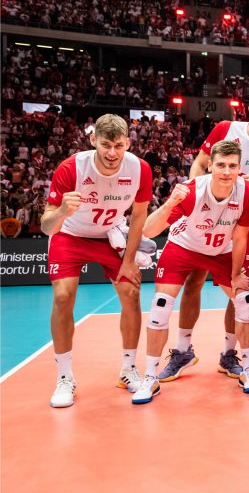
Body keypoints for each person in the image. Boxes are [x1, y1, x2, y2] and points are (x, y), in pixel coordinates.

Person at [162, 90, 249, 383]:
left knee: (237, 286)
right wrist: (197, 200)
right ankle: (183, 350)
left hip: (241, 223)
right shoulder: (227, 129)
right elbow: (200, 163)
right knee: (193, 282)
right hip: (205, 218)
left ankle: (229, 354)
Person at [131, 140, 249, 404]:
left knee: (245, 301)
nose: (226, 172)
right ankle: (150, 377)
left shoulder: (248, 192)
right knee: (160, 306)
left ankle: (248, 369)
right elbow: (149, 231)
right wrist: (169, 204)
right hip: (184, 247)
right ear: (209, 165)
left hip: (222, 251)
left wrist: (237, 274)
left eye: (232, 166)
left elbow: (241, 236)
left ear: (239, 168)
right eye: (221, 165)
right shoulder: (191, 190)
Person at [42, 114, 152, 408]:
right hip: (70, 236)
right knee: (63, 296)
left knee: (131, 292)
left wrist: (129, 260)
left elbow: (139, 215)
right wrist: (62, 210)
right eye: (106, 145)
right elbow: (46, 226)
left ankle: (129, 369)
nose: (112, 153)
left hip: (109, 236)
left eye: (119, 145)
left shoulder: (139, 169)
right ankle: (64, 377)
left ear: (128, 143)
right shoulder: (71, 168)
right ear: (93, 140)